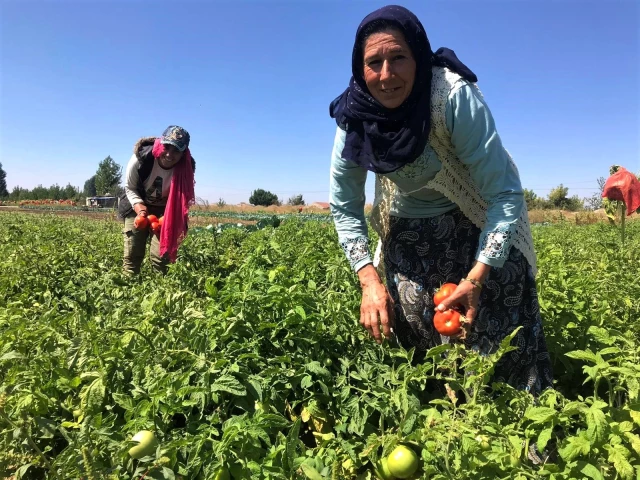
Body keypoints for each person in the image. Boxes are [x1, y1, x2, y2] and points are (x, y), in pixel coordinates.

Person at [328, 5, 553, 394]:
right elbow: (345, 206)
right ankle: (441, 417)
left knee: (500, 320)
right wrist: (369, 281)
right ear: (359, 67)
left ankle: (520, 422)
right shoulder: (356, 116)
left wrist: (478, 276)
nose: (386, 75)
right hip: (409, 226)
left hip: (479, 216)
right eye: (373, 62)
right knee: (415, 323)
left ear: (418, 56)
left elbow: (503, 194)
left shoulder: (449, 96)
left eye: (398, 57)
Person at [117, 125, 196, 275]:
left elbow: (183, 197)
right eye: (167, 147)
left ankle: (160, 289)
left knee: (161, 256)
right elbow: (130, 188)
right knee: (133, 251)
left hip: (166, 209)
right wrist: (140, 209)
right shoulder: (141, 158)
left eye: (176, 151)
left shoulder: (186, 168)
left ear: (183, 153)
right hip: (137, 203)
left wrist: (167, 218)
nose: (169, 155)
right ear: (160, 143)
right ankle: (128, 285)